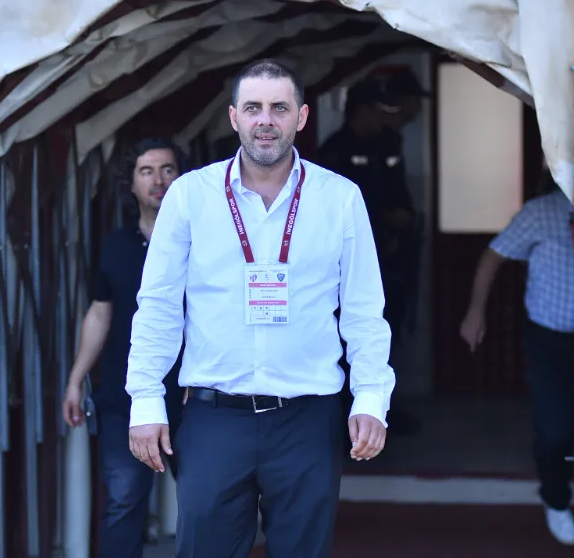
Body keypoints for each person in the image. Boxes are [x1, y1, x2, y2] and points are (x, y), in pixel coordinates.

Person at [126, 58, 395, 558]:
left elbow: (363, 309)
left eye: (279, 108)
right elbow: (158, 307)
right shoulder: (190, 196)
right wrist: (145, 399)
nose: (265, 120)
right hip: (214, 417)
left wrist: (370, 398)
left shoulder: (340, 198)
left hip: (306, 418)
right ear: (234, 117)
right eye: (253, 108)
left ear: (302, 116)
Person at [62, 137, 187, 558]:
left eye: (167, 169)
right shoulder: (115, 245)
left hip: (195, 394)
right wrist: (76, 380)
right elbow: (100, 313)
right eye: (146, 171)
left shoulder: (204, 242)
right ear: (131, 184)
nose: (158, 180)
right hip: (124, 395)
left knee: (207, 503)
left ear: (182, 178)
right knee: (123, 501)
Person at [459, 167, 574, 547]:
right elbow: (492, 257)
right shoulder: (541, 211)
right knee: (555, 428)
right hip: (549, 337)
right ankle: (555, 499)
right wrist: (475, 312)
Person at [318, 76, 421, 435]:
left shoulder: (388, 142)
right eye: (378, 111)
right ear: (360, 111)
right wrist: (387, 218)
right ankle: (349, 413)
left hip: (391, 255)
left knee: (385, 329)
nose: (384, 118)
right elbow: (342, 211)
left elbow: (396, 187)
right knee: (348, 335)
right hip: (351, 262)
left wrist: (402, 221)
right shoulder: (335, 150)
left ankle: (382, 406)